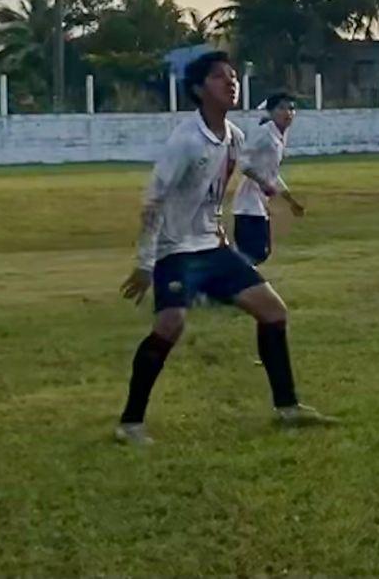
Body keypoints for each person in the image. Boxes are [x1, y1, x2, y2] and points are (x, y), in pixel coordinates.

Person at [114, 51, 334, 446]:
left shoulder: (234, 138)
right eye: (220, 78)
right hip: (175, 250)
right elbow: (154, 199)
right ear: (199, 89)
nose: (231, 83)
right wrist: (146, 262)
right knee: (170, 325)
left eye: (233, 77)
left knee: (273, 311)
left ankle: (288, 408)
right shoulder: (185, 140)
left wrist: (222, 235)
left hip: (212, 247)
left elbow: (213, 197)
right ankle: (130, 423)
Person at [234, 92, 306, 266]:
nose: (288, 112)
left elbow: (272, 175)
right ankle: (220, 278)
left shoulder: (279, 137)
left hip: (258, 205)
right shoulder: (265, 133)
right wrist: (262, 182)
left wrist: (291, 201)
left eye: (291, 108)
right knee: (257, 253)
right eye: (281, 108)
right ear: (271, 112)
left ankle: (225, 279)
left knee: (257, 254)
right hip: (247, 205)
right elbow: (243, 163)